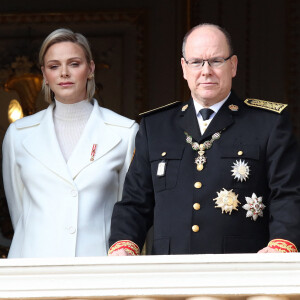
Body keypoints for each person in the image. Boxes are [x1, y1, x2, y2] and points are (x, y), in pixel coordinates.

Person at [108, 23, 300, 256]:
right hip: (169, 275)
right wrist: (124, 245)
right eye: (197, 62)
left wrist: (281, 244)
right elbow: (135, 203)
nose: (206, 70)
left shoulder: (267, 124)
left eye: (216, 61)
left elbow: (288, 194)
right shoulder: (156, 127)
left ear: (233, 65)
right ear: (184, 68)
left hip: (242, 272)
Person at [2, 28, 138, 258]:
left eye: (74, 64)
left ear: (91, 69)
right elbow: (19, 211)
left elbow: (130, 211)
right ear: (45, 74)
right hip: (33, 269)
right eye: (54, 66)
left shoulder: (125, 132)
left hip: (98, 269)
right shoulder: (18, 134)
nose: (64, 73)